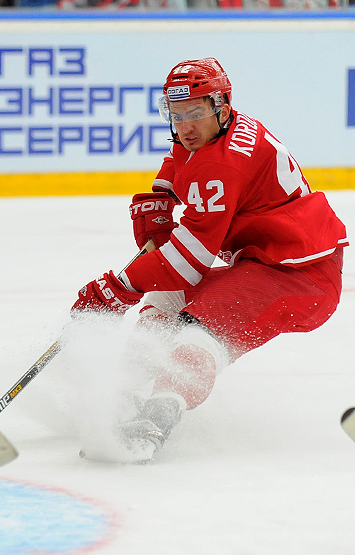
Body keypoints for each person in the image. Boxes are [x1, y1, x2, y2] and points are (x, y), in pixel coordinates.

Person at [71, 58, 347, 462]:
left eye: (195, 113)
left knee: (196, 330)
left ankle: (154, 419)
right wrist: (163, 192)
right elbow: (181, 154)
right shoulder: (221, 128)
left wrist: (119, 286)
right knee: (166, 298)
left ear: (221, 103)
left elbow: (188, 261)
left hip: (297, 275)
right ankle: (123, 391)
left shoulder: (220, 164)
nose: (184, 126)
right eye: (176, 114)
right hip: (270, 261)